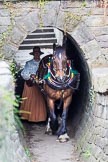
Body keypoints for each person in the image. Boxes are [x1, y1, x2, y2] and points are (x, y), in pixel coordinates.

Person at [20, 46, 47, 122]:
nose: (37, 54)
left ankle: (40, 118)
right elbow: (24, 74)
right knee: (30, 100)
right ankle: (28, 117)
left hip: (40, 85)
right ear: (33, 54)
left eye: (38, 53)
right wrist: (31, 76)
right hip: (30, 84)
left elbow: (46, 73)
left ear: (40, 54)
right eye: (35, 53)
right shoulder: (29, 63)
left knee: (39, 100)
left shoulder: (43, 63)